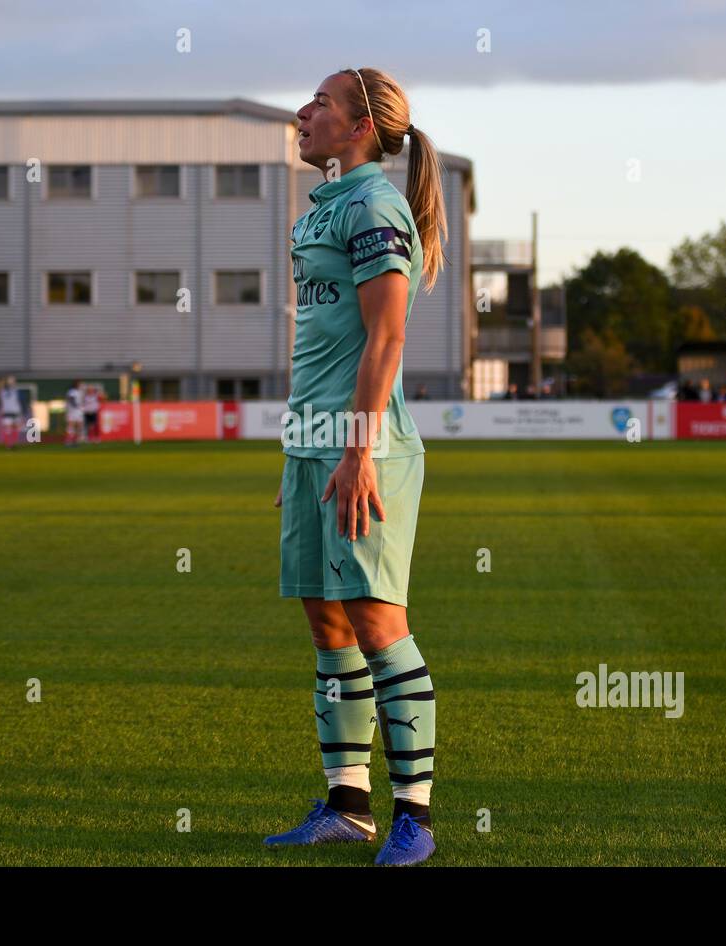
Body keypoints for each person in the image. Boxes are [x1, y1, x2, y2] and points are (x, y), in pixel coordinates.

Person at [268, 67, 440, 866]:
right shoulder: (329, 206)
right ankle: (347, 805)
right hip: (314, 448)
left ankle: (416, 820)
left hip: (362, 449)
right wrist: (302, 452)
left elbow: (387, 338)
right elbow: (322, 344)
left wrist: (358, 451)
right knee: (327, 623)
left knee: (376, 621)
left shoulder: (373, 203)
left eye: (322, 104)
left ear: (361, 127)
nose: (303, 113)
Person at [0, 376, 22, 448]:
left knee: (13, 427)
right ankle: (9, 444)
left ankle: (11, 443)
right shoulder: (9, 391)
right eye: (11, 381)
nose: (13, 382)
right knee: (9, 428)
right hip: (10, 411)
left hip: (12, 411)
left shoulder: (5, 391)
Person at [64, 380, 85, 446]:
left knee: (79, 425)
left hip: (79, 411)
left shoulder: (80, 392)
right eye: (80, 384)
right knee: (71, 425)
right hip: (72, 411)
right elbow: (71, 399)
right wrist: (76, 406)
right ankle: (68, 440)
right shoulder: (72, 391)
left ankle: (76, 440)